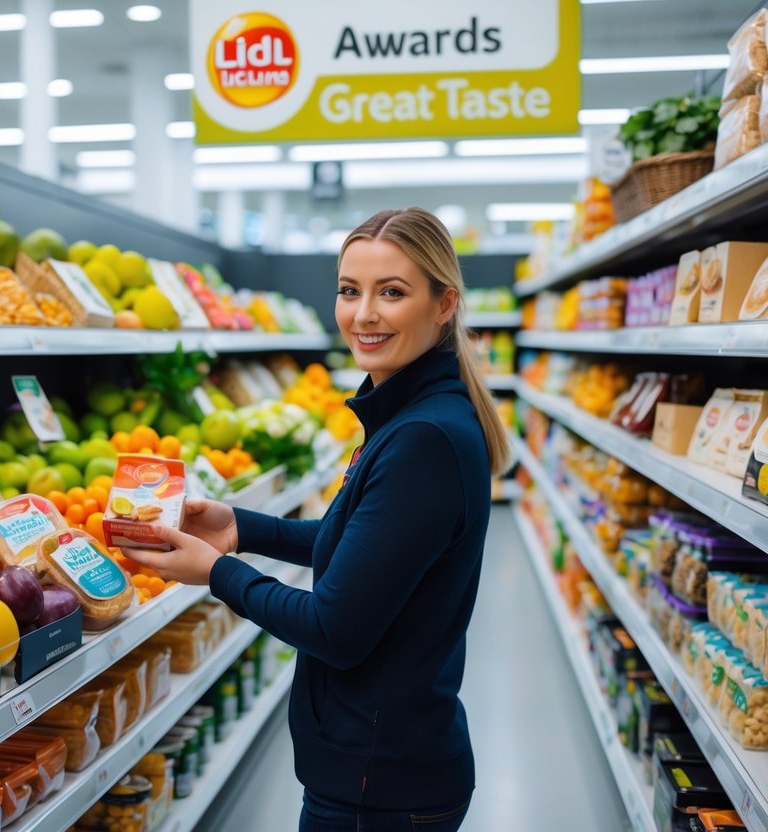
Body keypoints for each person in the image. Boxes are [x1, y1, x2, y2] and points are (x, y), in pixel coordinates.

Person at [123, 207, 511, 831]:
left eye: (392, 292)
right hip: (387, 760)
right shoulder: (414, 416)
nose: (364, 314)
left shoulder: (423, 439)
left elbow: (335, 627)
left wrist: (219, 572)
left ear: (444, 305)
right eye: (349, 291)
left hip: (378, 782)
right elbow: (360, 550)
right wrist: (241, 528)